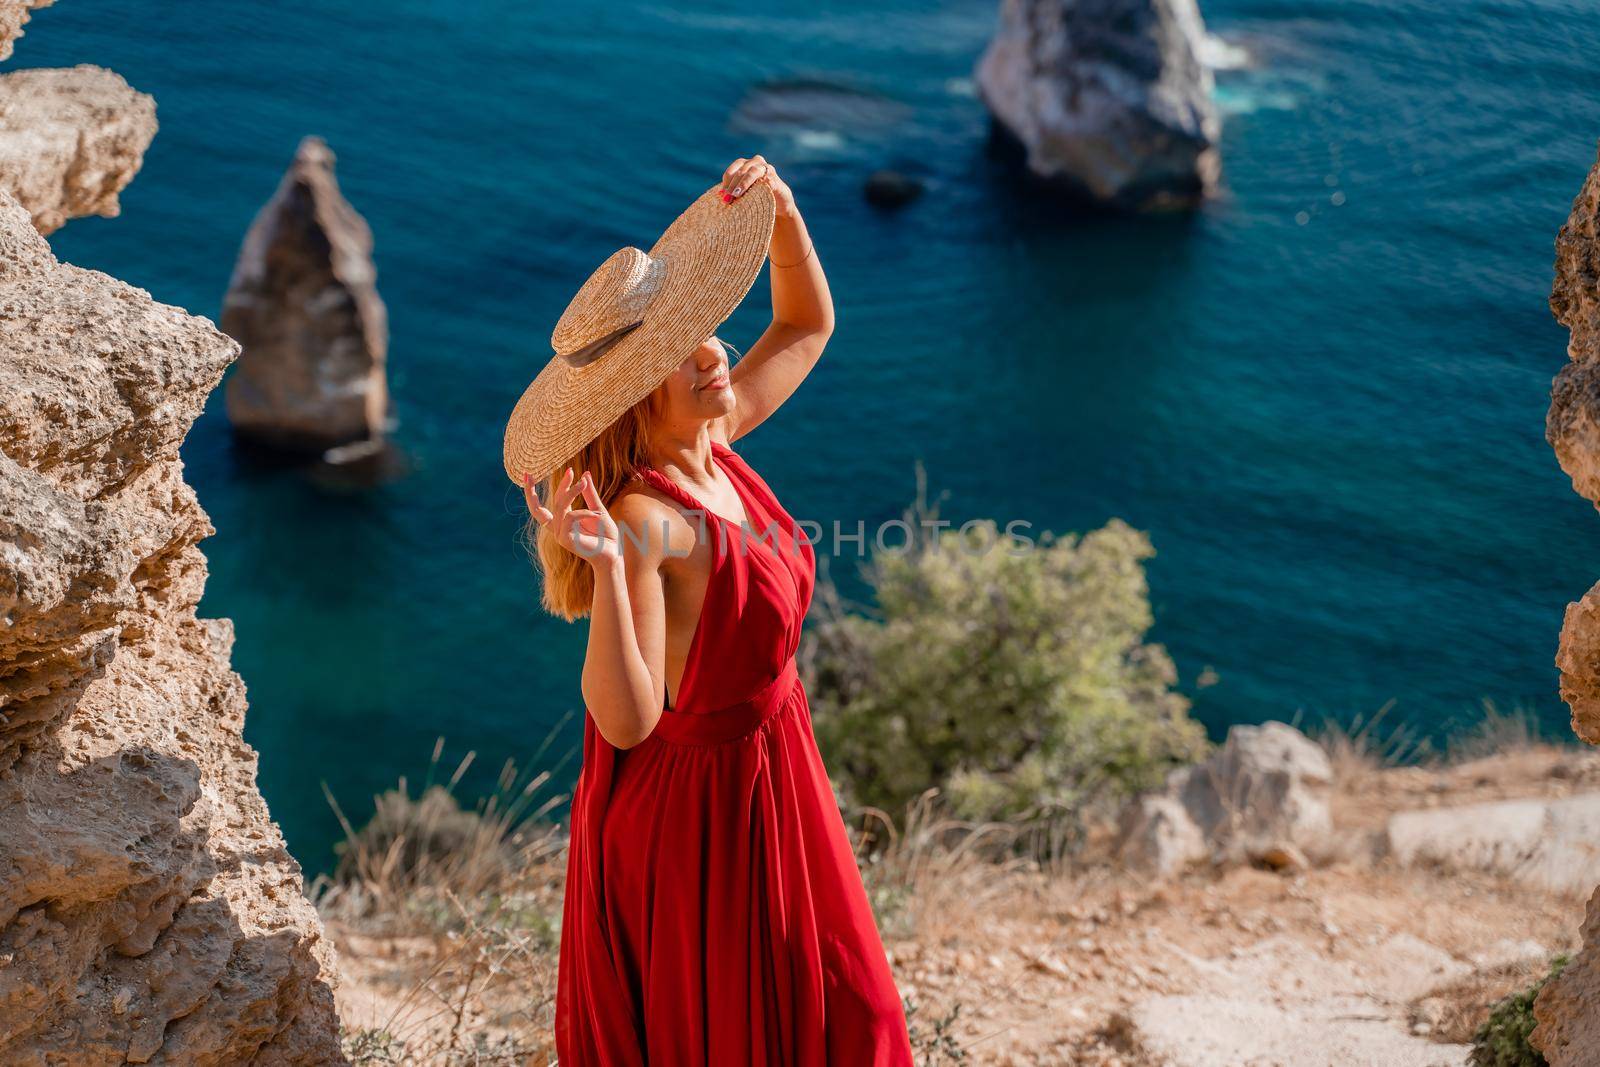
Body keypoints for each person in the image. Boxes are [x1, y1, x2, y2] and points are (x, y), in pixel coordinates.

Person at [502, 157, 914, 1065]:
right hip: (701, 812)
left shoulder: (714, 446)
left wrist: (785, 224)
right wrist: (609, 571)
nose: (715, 351)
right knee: (740, 1030)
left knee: (850, 1014)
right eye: (681, 350)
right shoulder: (648, 521)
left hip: (777, 765)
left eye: (709, 332)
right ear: (633, 396)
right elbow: (627, 718)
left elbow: (806, 323)